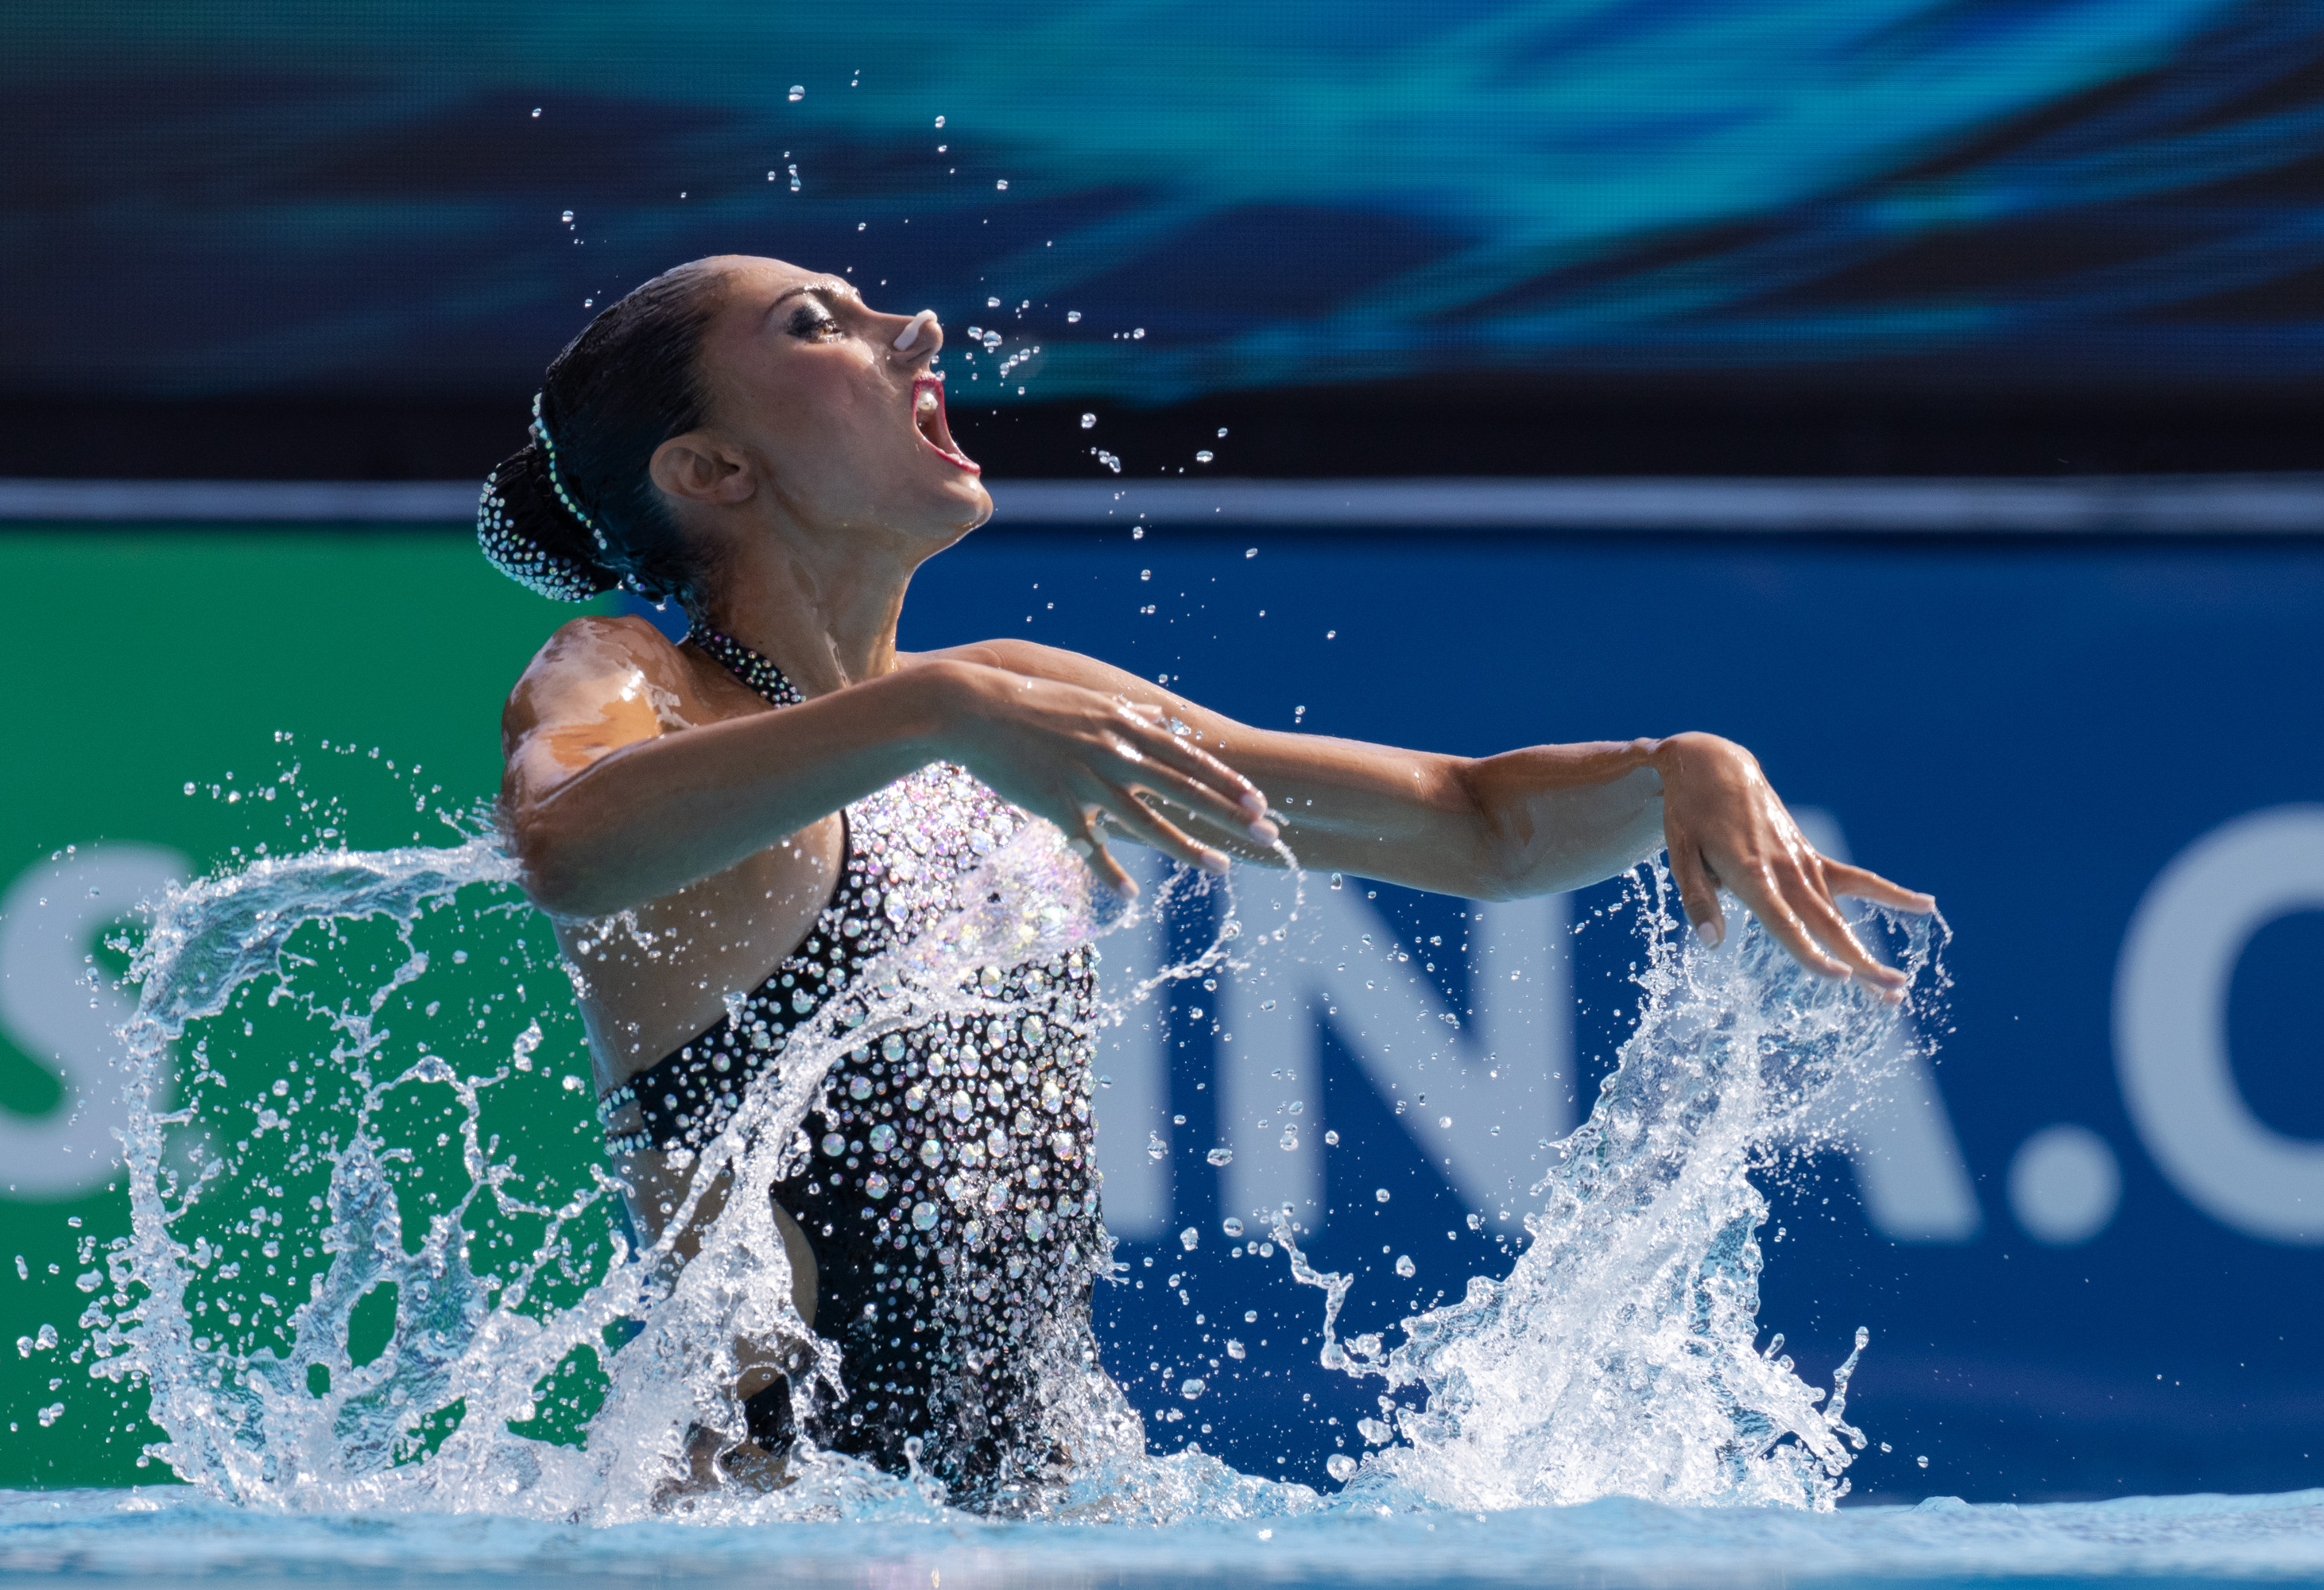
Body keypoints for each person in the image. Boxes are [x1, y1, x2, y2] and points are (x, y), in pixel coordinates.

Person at [484, 255, 1931, 1504]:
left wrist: (1675, 767)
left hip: (1038, 1517)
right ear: (710, 470)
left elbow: (1471, 826)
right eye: (819, 325)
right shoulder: (635, 678)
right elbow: (569, 842)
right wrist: (938, 713)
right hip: (757, 1530)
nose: (910, 328)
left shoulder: (1008, 700)